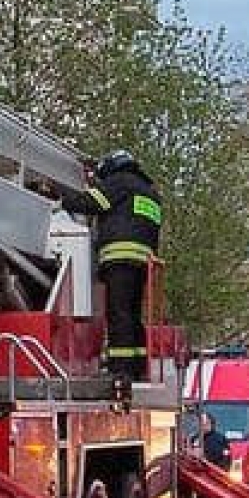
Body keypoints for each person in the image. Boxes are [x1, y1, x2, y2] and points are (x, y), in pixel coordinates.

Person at [60, 150, 161, 386]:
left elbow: (90, 202)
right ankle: (136, 367)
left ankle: (120, 370)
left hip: (119, 258)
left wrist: (59, 197)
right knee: (132, 316)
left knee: (119, 314)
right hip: (142, 262)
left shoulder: (120, 183)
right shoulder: (149, 192)